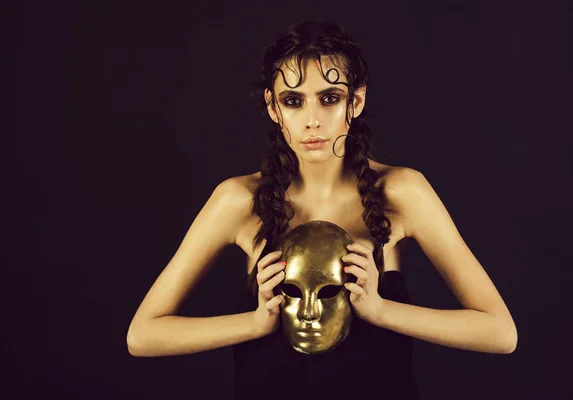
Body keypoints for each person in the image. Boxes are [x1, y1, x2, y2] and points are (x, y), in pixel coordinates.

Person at [126, 19, 518, 400]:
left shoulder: (400, 193)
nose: (312, 121)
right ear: (273, 108)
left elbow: (500, 333)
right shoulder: (238, 200)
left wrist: (381, 312)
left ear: (356, 100)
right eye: (293, 101)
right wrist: (254, 323)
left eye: (329, 98)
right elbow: (143, 336)